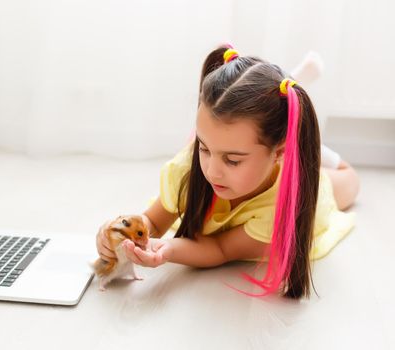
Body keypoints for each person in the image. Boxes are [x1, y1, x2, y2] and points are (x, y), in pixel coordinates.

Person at [95, 44, 359, 299]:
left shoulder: (284, 201)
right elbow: (151, 224)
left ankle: (304, 145)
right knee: (232, 143)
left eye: (232, 160)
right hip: (266, 145)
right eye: (204, 148)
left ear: (278, 152)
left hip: (296, 179)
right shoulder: (188, 168)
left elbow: (221, 249)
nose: (212, 172)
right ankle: (284, 119)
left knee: (350, 181)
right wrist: (120, 237)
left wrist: (168, 250)